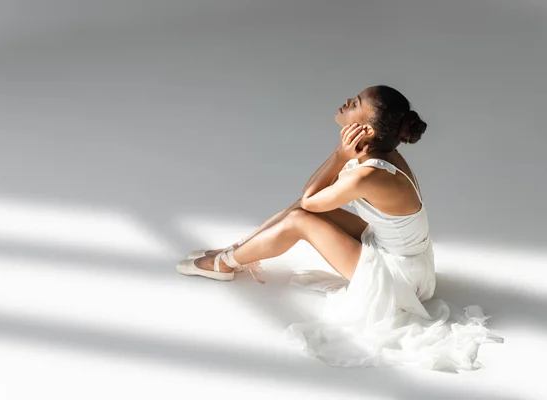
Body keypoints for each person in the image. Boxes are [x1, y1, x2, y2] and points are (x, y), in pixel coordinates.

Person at [176, 85, 503, 371]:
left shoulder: (369, 173)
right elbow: (309, 199)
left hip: (396, 279)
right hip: (401, 255)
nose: (348, 100)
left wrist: (338, 154)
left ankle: (226, 263)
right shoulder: (380, 154)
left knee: (300, 219)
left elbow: (309, 201)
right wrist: (344, 155)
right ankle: (238, 250)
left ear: (367, 131)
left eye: (357, 102)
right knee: (299, 211)